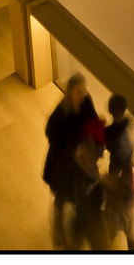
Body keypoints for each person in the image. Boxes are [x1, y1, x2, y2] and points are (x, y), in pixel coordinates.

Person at [43, 77, 106, 250]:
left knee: (76, 192)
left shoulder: (86, 102)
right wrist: (72, 148)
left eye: (83, 90)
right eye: (79, 91)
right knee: (61, 195)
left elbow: (92, 121)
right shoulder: (61, 113)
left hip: (80, 161)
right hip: (63, 162)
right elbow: (51, 133)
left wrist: (95, 137)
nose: (82, 94)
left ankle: (72, 228)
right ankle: (58, 227)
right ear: (70, 91)